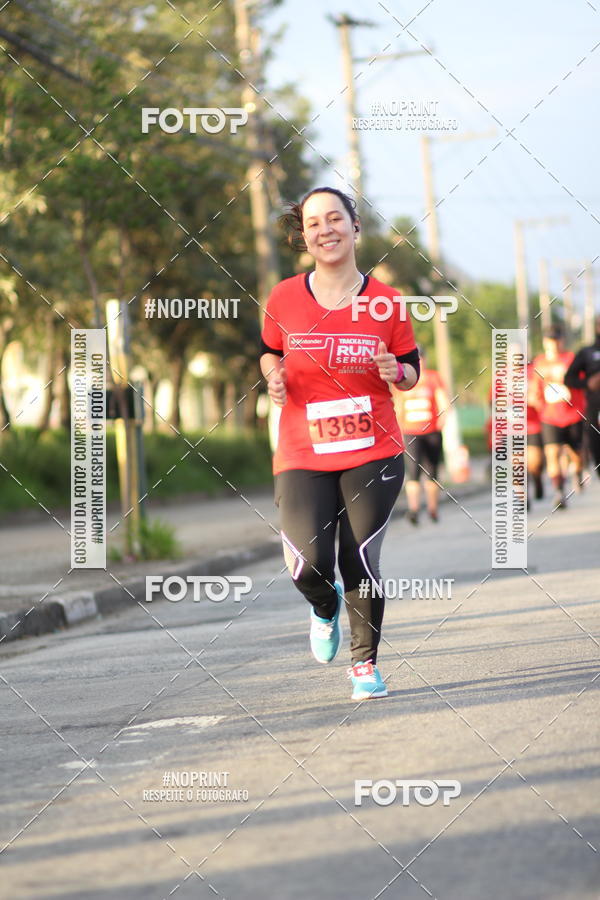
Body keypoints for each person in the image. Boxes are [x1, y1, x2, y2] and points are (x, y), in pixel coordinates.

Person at [260, 186, 419, 701]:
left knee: (361, 555)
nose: (325, 229)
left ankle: (364, 666)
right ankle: (324, 606)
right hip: (303, 449)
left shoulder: (387, 302)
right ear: (303, 236)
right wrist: (273, 376)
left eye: (335, 219)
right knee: (307, 563)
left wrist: (398, 370)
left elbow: (412, 369)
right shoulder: (284, 297)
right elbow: (268, 352)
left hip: (373, 448)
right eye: (314, 223)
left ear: (355, 228)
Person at [531, 325, 586, 509]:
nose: (553, 343)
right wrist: (536, 399)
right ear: (545, 342)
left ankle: (577, 472)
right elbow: (535, 389)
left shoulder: (571, 359)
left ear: (561, 341)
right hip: (550, 417)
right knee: (552, 453)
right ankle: (559, 492)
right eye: (549, 340)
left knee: (575, 454)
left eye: (556, 339)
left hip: (572, 414)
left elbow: (581, 381)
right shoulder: (539, 362)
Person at [393, 346, 448, 524]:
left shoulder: (433, 378)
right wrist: (399, 428)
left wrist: (443, 419)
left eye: (420, 358)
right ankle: (414, 509)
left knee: (432, 471)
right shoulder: (403, 379)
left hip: (431, 431)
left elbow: (442, 401)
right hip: (411, 432)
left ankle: (432, 509)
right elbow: (398, 405)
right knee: (413, 472)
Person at [564, 314, 600, 477]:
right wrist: (587, 383)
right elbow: (568, 378)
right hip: (595, 408)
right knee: (596, 448)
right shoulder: (586, 352)